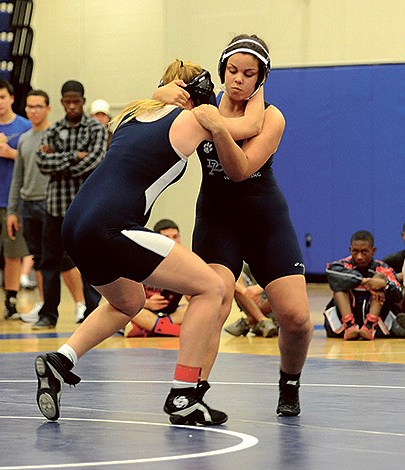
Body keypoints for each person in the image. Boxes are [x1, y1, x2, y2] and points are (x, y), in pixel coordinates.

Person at [33, 59, 261, 426]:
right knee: (211, 287)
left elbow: (154, 101)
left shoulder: (130, 117)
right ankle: (184, 395)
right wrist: (259, 78)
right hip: (111, 225)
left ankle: (61, 360)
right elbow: (251, 125)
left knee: (129, 301)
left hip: (75, 224)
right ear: (196, 95)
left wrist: (161, 93)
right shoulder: (190, 120)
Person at [154, 34, 313, 416]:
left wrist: (219, 125)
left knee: (296, 319)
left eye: (248, 74)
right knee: (213, 301)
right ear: (222, 68)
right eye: (231, 70)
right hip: (217, 219)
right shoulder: (204, 104)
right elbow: (157, 102)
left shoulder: (271, 117)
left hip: (264, 221)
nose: (238, 79)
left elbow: (240, 170)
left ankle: (289, 382)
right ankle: (190, 390)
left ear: (261, 79)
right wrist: (166, 93)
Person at [6, 89, 89, 324]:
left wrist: (61, 159)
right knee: (41, 258)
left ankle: (81, 304)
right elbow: (18, 177)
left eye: (38, 106)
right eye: (30, 107)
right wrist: (13, 210)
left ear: (48, 108)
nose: (33, 111)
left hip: (52, 203)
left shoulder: (55, 135)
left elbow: (59, 166)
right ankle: (45, 304)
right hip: (28, 204)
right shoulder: (24, 139)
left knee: (65, 259)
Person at [32, 80, 107, 329]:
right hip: (55, 207)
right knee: (49, 261)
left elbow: (96, 161)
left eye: (77, 101)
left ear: (83, 101)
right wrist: (75, 156)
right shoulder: (53, 130)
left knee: (90, 262)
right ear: (62, 102)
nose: (72, 106)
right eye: (68, 101)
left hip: (85, 208)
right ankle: (48, 313)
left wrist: (60, 160)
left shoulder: (95, 129)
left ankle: (93, 314)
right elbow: (42, 163)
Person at [0, 78, 31, 318]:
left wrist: (11, 153)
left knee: (14, 254)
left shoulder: (25, 127)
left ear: (11, 98)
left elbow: (31, 161)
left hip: (16, 202)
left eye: (2, 97)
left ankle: (11, 300)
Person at [325, 230, 403, 340]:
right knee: (339, 289)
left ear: (373, 250)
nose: (359, 257)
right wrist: (364, 281)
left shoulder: (382, 268)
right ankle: (349, 325)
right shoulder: (341, 265)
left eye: (364, 252)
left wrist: (384, 285)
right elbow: (330, 273)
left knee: (380, 283)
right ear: (350, 250)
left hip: (379, 324)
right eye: (355, 251)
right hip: (343, 321)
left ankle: (370, 326)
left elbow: (398, 294)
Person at [126, 219, 188, 338]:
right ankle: (173, 330)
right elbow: (127, 298)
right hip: (146, 310)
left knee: (193, 308)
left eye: (175, 237)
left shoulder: (185, 263)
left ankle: (156, 328)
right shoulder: (140, 262)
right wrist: (147, 303)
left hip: (170, 313)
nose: (172, 241)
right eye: (166, 237)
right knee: (133, 313)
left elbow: (194, 297)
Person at [225, 262, 279, 337]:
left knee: (281, 288)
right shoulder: (246, 263)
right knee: (232, 275)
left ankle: (249, 321)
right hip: (252, 302)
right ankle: (263, 320)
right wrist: (246, 292)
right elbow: (230, 276)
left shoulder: (281, 258)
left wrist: (261, 288)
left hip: (277, 311)